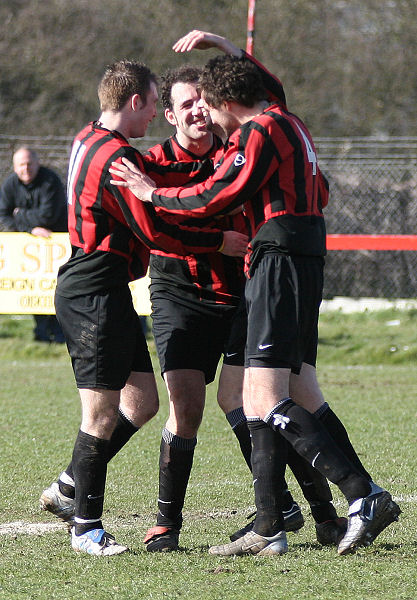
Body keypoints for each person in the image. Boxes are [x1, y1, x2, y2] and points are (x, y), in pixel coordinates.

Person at [110, 31, 401, 557]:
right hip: (296, 259)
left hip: (279, 260)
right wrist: (225, 46)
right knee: (294, 389)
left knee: (265, 398)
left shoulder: (260, 130)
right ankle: (272, 521)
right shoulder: (289, 117)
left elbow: (218, 193)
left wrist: (152, 193)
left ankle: (363, 494)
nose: (208, 117)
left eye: (209, 105)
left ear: (225, 103)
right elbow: (272, 85)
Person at [39, 58, 247, 557]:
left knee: (142, 403)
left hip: (105, 285)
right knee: (101, 412)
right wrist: (218, 240)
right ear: (135, 102)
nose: (156, 115)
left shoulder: (86, 136)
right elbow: (154, 230)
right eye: (155, 103)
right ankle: (86, 526)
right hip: (93, 287)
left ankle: (71, 485)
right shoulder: (116, 158)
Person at [138, 58, 347, 553]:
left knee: (255, 398)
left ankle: (301, 513)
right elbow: (153, 227)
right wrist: (213, 241)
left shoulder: (242, 144)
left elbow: (272, 122)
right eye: (186, 105)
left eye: (203, 103)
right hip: (179, 291)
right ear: (169, 115)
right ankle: (168, 524)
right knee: (186, 405)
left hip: (244, 289)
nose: (197, 113)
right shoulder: (153, 164)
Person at [0, 146, 67, 342]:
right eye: (21, 164)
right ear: (14, 167)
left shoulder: (50, 181)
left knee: (56, 291)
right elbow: (2, 215)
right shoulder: (10, 185)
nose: (26, 168)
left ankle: (60, 333)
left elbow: (48, 215)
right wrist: (30, 230)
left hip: (58, 250)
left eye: (29, 163)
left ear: (38, 163)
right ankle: (41, 335)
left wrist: (19, 215)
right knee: (34, 293)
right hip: (29, 256)